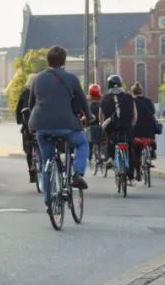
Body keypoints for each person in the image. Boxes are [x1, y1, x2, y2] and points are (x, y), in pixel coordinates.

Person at [27, 46, 91, 196]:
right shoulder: (72, 78)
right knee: (82, 143)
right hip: (67, 126)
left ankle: (48, 199)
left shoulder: (37, 79)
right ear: (64, 61)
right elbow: (83, 102)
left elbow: (31, 105)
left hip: (41, 127)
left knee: (46, 160)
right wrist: (89, 117)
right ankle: (77, 173)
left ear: (48, 61)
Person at [99, 75, 137, 183]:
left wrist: (103, 125)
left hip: (111, 128)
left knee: (109, 140)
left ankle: (110, 157)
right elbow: (135, 114)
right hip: (126, 128)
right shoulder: (129, 97)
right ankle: (131, 177)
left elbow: (100, 116)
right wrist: (131, 125)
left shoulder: (105, 98)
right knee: (129, 149)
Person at [130, 82, 159, 178]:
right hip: (149, 131)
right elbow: (153, 112)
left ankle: (137, 172)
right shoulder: (148, 101)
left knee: (136, 151)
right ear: (141, 91)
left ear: (133, 92)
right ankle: (152, 152)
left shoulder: (131, 101)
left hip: (136, 130)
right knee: (151, 136)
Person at [15, 73, 39, 182]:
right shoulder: (41, 93)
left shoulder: (24, 93)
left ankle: (31, 172)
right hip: (40, 125)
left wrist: (19, 121)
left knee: (28, 151)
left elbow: (18, 109)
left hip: (27, 127)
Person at [86, 83, 106, 166]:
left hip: (91, 127)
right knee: (102, 140)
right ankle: (102, 153)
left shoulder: (88, 107)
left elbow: (87, 117)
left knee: (89, 141)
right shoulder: (102, 105)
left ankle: (89, 157)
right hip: (100, 127)